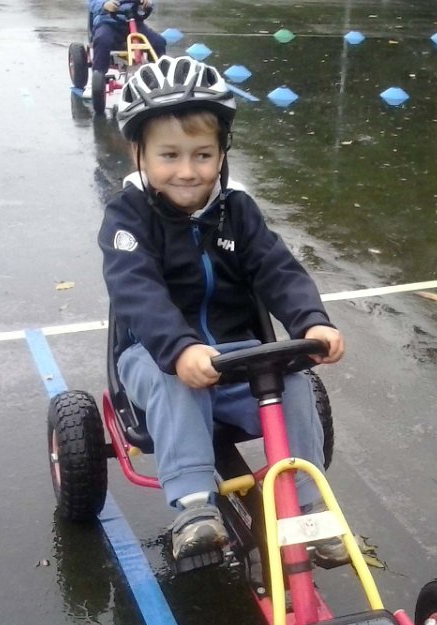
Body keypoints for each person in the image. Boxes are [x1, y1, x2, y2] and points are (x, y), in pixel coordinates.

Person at [97, 55, 347, 563]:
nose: (188, 172)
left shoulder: (237, 211)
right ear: (139, 152)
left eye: (203, 155)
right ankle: (194, 507)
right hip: (154, 358)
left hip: (238, 357)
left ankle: (306, 507)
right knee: (176, 380)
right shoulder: (129, 217)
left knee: (295, 381)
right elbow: (136, 289)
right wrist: (179, 348)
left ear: (222, 153)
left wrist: (311, 321)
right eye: (169, 155)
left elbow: (277, 269)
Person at [89, 0, 167, 79]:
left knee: (158, 42)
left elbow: (151, 3)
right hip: (108, 23)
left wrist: (147, 3)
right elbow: (93, 3)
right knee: (102, 40)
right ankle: (99, 74)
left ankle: (159, 74)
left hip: (135, 23)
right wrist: (104, 5)